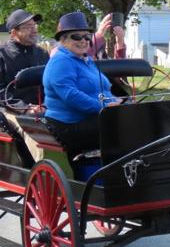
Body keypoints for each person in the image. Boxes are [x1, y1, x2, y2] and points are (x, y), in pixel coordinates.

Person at [43, 11, 121, 154]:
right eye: (77, 36)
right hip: (68, 124)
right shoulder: (61, 61)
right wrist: (104, 107)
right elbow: (71, 96)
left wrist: (119, 103)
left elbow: (103, 89)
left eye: (87, 36)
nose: (84, 40)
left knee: (137, 115)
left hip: (93, 117)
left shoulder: (86, 60)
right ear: (63, 40)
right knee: (124, 124)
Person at [0, 8, 49, 112]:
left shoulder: (42, 53)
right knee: (25, 128)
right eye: (29, 27)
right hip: (10, 109)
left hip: (42, 109)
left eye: (34, 26)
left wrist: (45, 105)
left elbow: (50, 84)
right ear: (14, 32)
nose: (34, 30)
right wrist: (24, 108)